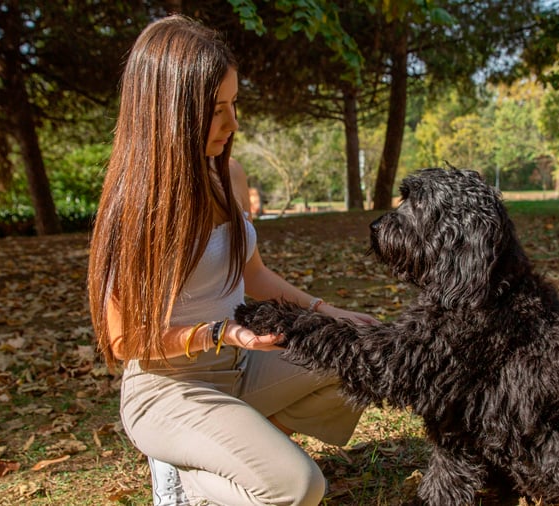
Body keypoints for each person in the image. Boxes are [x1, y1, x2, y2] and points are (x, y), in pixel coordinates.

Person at [87, 15, 376, 506]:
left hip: (242, 366)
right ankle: (185, 473)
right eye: (217, 109)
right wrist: (218, 332)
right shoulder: (136, 207)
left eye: (234, 104)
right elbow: (122, 340)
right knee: (300, 487)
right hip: (170, 388)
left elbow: (254, 274)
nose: (233, 124)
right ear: (170, 111)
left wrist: (332, 314)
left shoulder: (230, 175)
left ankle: (231, 442)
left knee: (364, 354)